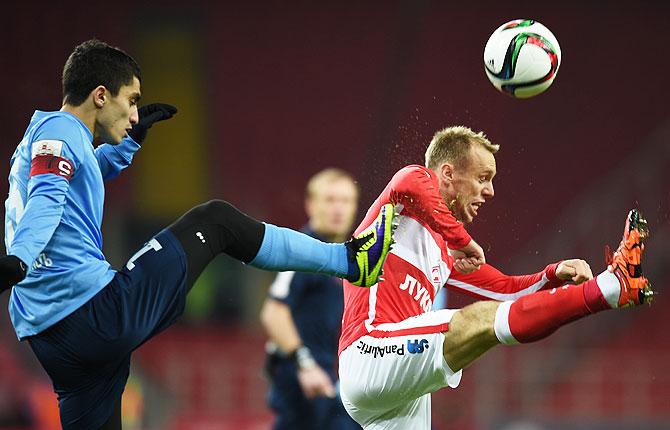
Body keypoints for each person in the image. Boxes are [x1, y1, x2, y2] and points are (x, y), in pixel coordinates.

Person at [0, 39, 412, 430]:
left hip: (50, 338)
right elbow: (48, 200)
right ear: (101, 95)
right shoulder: (63, 130)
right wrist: (18, 259)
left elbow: (72, 179)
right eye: (132, 101)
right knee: (216, 221)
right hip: (94, 313)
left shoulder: (40, 138)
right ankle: (350, 260)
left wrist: (126, 148)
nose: (134, 116)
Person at [337, 126, 654, 430]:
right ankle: (610, 288)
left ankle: (607, 287)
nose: (489, 191)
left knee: (491, 315)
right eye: (482, 178)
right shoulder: (405, 197)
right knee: (479, 320)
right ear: (447, 173)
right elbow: (411, 184)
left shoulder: (444, 251)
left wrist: (552, 274)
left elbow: (506, 293)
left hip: (398, 386)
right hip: (370, 350)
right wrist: (462, 240)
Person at [260, 168, 362, 430]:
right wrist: (305, 365)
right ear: (310, 205)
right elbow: (273, 312)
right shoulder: (303, 251)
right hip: (304, 381)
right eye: (330, 200)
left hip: (324, 379)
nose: (338, 209)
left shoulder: (341, 258)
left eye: (345, 201)